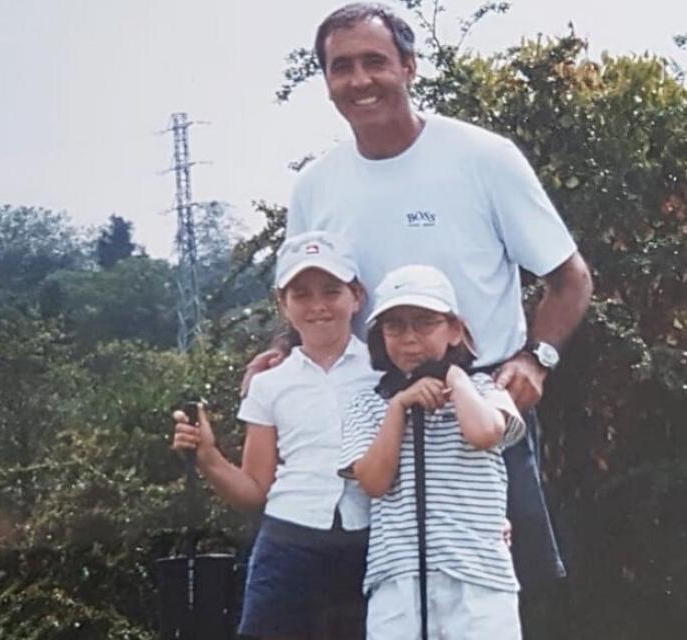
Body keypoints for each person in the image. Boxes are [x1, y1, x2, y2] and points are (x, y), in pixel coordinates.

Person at [249, 2, 593, 592]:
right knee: (385, 603)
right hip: (373, 418)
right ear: (326, 82)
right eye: (341, 67)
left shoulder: (484, 158)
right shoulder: (315, 186)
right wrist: (285, 350)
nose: (359, 81)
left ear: (409, 66)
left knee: (511, 595)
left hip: (481, 408)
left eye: (375, 61)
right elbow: (317, 293)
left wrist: (537, 358)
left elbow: (572, 278)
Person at [173, 230, 380, 640]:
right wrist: (209, 457)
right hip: (288, 544)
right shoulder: (269, 385)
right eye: (301, 294)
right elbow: (254, 490)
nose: (318, 305)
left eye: (331, 290)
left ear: (356, 296)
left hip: (375, 543)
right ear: (282, 305)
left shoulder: (386, 371)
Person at [340, 264, 525, 639]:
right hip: (398, 575)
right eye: (395, 326)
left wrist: (456, 379)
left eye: (425, 323)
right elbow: (373, 482)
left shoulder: (484, 388)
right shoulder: (368, 404)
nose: (410, 338)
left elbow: (485, 433)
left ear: (454, 329)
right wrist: (398, 408)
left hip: (477, 574)